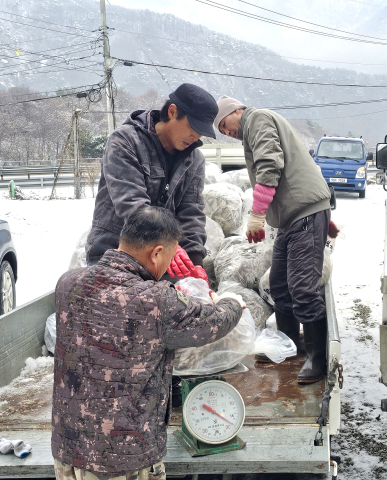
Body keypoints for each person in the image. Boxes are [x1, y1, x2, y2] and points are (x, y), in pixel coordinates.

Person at [52, 207, 245, 479]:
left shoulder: (67, 283)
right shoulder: (156, 300)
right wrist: (231, 302)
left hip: (69, 453)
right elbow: (214, 322)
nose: (168, 267)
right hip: (125, 462)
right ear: (156, 253)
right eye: (169, 257)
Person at [214, 96, 333, 384]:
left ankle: (318, 357)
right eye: (222, 131)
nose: (227, 132)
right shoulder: (253, 127)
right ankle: (289, 342)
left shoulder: (257, 119)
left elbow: (270, 164)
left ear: (236, 110)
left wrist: (257, 214)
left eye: (225, 124)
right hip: (294, 217)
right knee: (279, 285)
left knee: (302, 289)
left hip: (303, 215)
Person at [86, 83, 217, 282]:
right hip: (115, 253)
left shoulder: (194, 160)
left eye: (201, 132)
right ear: (172, 112)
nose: (196, 137)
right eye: (193, 127)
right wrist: (169, 246)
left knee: (186, 298)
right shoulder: (125, 141)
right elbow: (131, 204)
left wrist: (194, 262)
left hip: (162, 259)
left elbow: (191, 212)